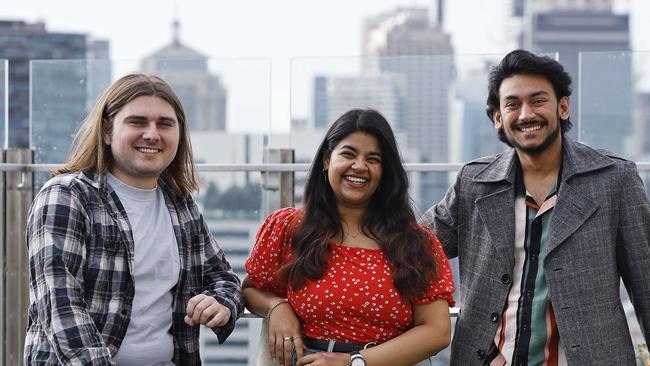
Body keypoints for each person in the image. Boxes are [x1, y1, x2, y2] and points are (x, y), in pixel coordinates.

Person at [421, 49, 650, 365]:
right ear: (498, 119)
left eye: (538, 100)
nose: (526, 114)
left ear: (564, 107)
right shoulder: (475, 182)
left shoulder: (614, 179)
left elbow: (646, 286)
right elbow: (415, 246)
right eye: (512, 104)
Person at [24, 74, 244, 365]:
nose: (152, 134)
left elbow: (224, 278)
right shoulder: (67, 197)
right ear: (106, 131)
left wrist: (221, 304)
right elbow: (61, 310)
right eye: (137, 122)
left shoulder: (179, 204)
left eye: (165, 124)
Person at [244, 109, 455, 366]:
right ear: (326, 159)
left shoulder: (415, 243)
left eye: (373, 159)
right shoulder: (288, 228)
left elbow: (437, 331)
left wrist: (351, 362)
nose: (359, 166)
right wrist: (276, 306)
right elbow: (252, 289)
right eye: (348, 154)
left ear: (385, 172)